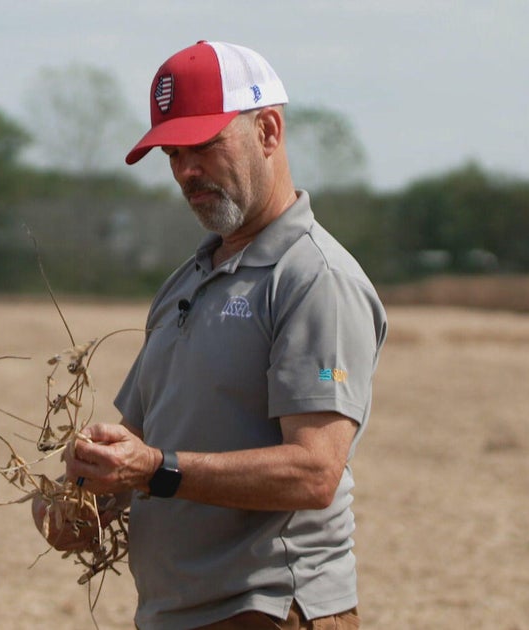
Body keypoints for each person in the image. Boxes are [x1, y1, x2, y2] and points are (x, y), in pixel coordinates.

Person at [32, 41, 386, 629]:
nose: (185, 171)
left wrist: (153, 470)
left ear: (268, 131)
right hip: (173, 615)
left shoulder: (314, 280)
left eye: (203, 145)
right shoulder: (185, 284)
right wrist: (81, 491)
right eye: (173, 153)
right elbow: (143, 442)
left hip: (271, 610)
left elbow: (314, 471)